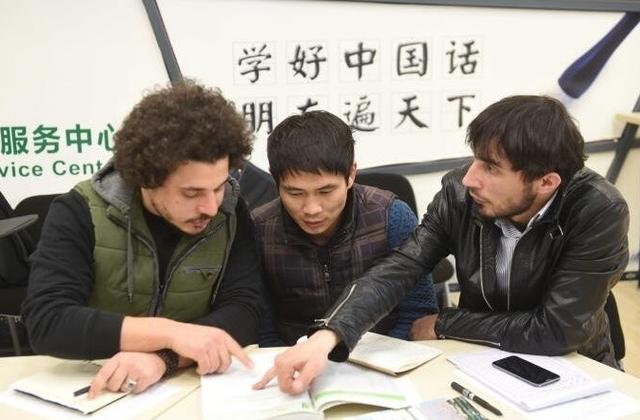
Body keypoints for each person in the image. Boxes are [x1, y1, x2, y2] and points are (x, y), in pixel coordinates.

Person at [254, 95, 630, 395]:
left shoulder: (598, 210)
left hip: (575, 371)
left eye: (491, 168)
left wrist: (447, 321)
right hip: (478, 359)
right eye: (475, 159)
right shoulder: (458, 194)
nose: (469, 178)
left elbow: (556, 330)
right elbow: (401, 267)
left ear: (546, 182)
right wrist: (330, 334)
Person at [22, 80, 263, 397]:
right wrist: (170, 333)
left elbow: (245, 310)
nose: (210, 207)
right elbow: (47, 320)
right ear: (146, 178)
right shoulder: (79, 210)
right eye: (191, 193)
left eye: (218, 187)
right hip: (95, 384)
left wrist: (164, 358)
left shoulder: (230, 211)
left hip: (187, 383)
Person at [251, 110, 438, 347]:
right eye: (295, 193)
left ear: (350, 174)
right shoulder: (260, 229)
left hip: (382, 356)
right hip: (292, 358)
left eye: (326, 191)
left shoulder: (391, 216)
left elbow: (418, 313)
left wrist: (381, 356)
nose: (312, 209)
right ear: (276, 180)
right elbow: (263, 329)